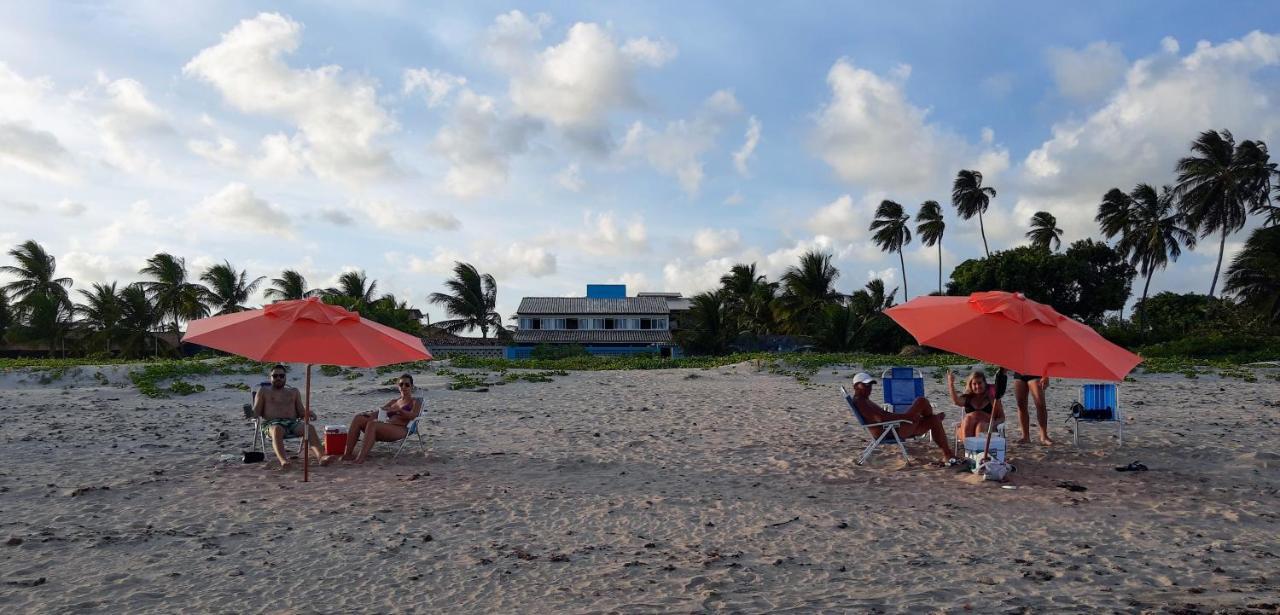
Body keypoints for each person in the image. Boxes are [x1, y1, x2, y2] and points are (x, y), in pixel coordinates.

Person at [848, 372, 956, 464]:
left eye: (870, 385)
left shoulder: (863, 400)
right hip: (890, 430)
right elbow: (881, 418)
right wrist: (907, 417)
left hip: (891, 428)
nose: (869, 388)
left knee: (934, 420)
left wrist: (906, 417)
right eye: (865, 385)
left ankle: (947, 454)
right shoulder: (861, 402)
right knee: (921, 401)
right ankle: (929, 420)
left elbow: (883, 416)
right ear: (855, 386)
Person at [254, 364, 327, 469]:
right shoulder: (263, 391)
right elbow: (256, 411)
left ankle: (321, 458)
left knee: (309, 428)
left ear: (285, 377)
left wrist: (309, 413)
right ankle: (284, 461)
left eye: (281, 376)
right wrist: (251, 414)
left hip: (292, 423)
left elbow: (301, 411)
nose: (278, 378)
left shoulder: (293, 392)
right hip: (271, 424)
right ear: (270, 378)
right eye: (275, 376)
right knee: (277, 429)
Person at [341, 373, 422, 464]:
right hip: (387, 426)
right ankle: (347, 454)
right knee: (358, 418)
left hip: (401, 428)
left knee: (373, 424)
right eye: (401, 384)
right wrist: (368, 414)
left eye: (407, 385)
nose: (404, 387)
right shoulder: (394, 401)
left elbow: (414, 415)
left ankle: (360, 458)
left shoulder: (415, 401)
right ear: (398, 386)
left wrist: (399, 411)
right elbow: (379, 412)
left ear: (412, 387)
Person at [946, 369, 1005, 444]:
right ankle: (969, 449)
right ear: (970, 385)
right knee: (967, 420)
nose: (977, 386)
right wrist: (951, 383)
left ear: (984, 383)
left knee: (980, 426)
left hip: (987, 428)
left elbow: (1002, 418)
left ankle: (977, 450)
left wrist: (992, 424)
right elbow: (956, 401)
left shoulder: (992, 398)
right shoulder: (968, 398)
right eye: (974, 384)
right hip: (969, 428)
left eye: (980, 383)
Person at [1012, 372, 1053, 445]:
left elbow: (1046, 360)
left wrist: (1046, 375)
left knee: (1040, 404)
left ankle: (1044, 436)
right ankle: (1025, 437)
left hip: (1035, 372)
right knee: (1020, 404)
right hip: (1019, 372)